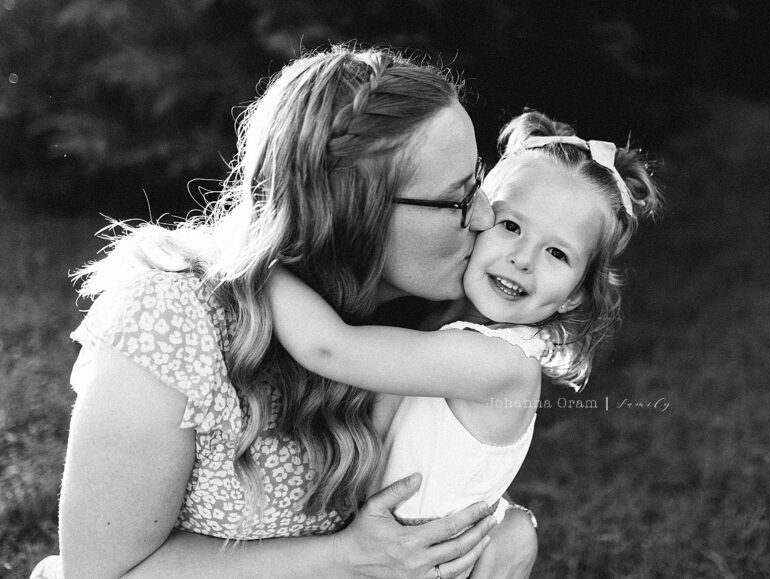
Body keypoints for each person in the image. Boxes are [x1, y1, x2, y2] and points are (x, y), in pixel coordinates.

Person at [31, 44, 538, 579]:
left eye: (479, 181)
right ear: (348, 214)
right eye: (458, 198)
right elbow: (98, 572)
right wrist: (345, 559)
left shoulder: (421, 329)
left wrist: (507, 534)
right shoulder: (171, 318)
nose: (485, 216)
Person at [266, 110, 662, 524]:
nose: (523, 259)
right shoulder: (450, 323)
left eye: (557, 253)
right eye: (511, 226)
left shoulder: (499, 362)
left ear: (575, 295)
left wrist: (260, 264)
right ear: (477, 215)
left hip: (412, 551)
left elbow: (329, 348)